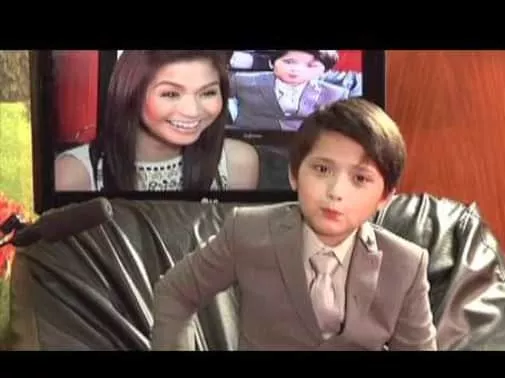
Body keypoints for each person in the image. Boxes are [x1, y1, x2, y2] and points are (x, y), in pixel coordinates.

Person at [151, 98, 438, 351]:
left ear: (385, 197)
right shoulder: (247, 231)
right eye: (322, 169)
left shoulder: (405, 265)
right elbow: (175, 292)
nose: (336, 192)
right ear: (294, 174)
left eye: (360, 178)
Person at [54, 50, 259, 192]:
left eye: (207, 93)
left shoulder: (238, 162)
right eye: (170, 94)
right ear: (131, 93)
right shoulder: (74, 174)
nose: (193, 111)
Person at [228, 50, 350, 132]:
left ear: (324, 71)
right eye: (289, 62)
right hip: (249, 140)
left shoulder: (335, 94)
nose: (296, 69)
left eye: (310, 65)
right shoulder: (241, 80)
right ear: (272, 63)